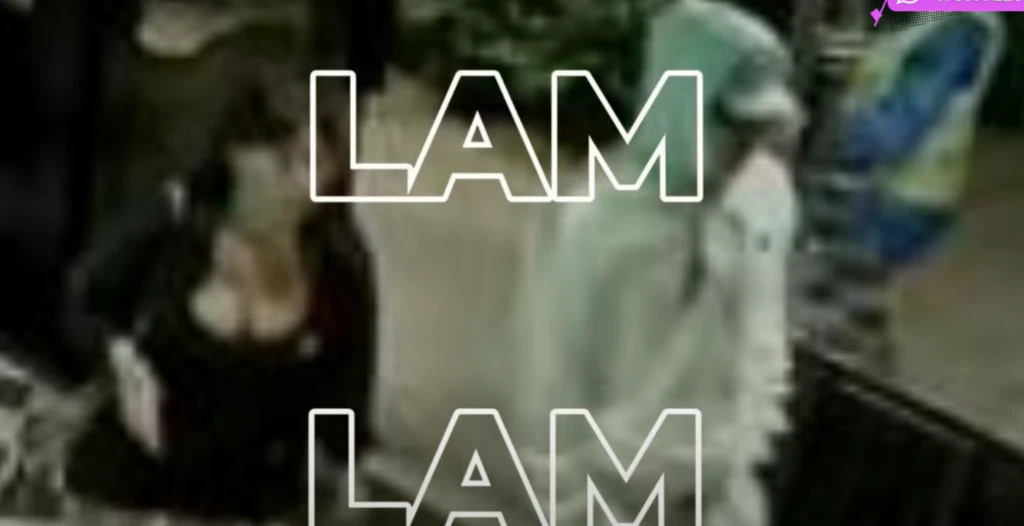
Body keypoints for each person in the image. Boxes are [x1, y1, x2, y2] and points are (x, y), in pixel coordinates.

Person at [513, 2, 802, 525]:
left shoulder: (763, 198)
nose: (746, 145)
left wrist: (742, 453)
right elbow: (550, 391)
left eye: (758, 128)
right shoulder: (590, 223)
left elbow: (764, 338)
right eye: (732, 123)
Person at [62, 67, 377, 524]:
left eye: (315, 161)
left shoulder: (339, 269)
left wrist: (348, 478)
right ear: (236, 153)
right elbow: (83, 298)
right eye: (284, 156)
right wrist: (120, 357)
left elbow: (347, 397)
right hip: (130, 486)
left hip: (250, 501)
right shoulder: (174, 222)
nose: (299, 180)